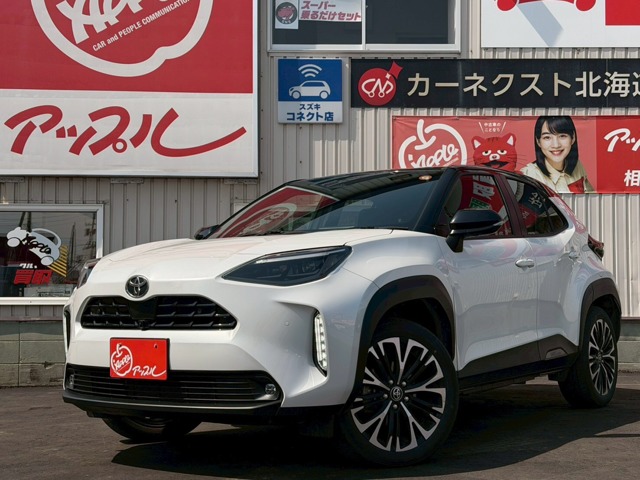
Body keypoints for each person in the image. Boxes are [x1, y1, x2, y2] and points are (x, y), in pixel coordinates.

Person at [521, 115, 594, 193]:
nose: (556, 145)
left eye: (562, 136)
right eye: (547, 137)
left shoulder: (577, 165)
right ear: (538, 141)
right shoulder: (529, 174)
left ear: (573, 138)